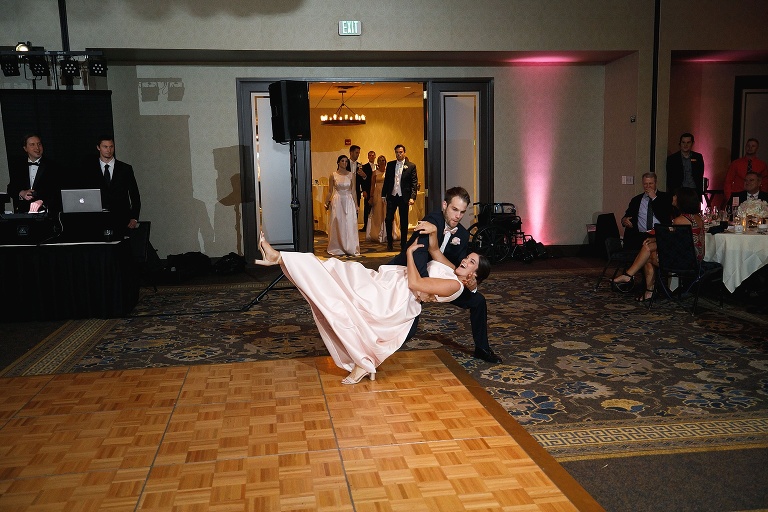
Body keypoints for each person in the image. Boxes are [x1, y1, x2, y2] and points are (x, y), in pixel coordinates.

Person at [254, 227, 491, 384]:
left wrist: (409, 254)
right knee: (339, 271)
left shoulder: (454, 286)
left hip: (394, 297)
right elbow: (435, 251)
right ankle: (280, 257)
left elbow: (416, 282)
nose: (464, 260)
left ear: (474, 274)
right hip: (389, 284)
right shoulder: (453, 271)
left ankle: (363, 363)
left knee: (344, 297)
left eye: (471, 262)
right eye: (467, 257)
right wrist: (434, 231)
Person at [390, 187, 502, 363]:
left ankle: (482, 348)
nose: (458, 216)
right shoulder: (431, 221)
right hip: (409, 274)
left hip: (439, 282)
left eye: (462, 212)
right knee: (406, 332)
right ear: (444, 205)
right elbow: (419, 254)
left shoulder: (462, 235)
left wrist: (472, 286)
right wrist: (424, 287)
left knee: (478, 300)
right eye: (454, 209)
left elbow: (458, 267)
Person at [613, 187, 705, 302]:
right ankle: (633, 279)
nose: (673, 197)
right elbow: (677, 241)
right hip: (695, 259)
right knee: (648, 248)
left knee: (648, 254)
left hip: (684, 262)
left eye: (675, 196)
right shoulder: (698, 218)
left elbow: (671, 244)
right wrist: (654, 240)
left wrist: (654, 241)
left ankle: (639, 283)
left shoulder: (680, 221)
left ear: (682, 200)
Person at [87, 136, 141, 234]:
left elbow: (134, 194)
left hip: (122, 218)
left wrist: (134, 217)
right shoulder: (90, 170)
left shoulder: (125, 169)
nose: (109, 150)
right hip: (98, 219)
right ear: (98, 147)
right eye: (105, 147)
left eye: (111, 147)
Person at [7, 134, 60, 214]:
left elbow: (57, 190)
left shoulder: (52, 166)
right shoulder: (18, 166)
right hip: (23, 212)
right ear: (25, 148)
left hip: (47, 212)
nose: (37, 148)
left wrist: (43, 201)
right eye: (32, 145)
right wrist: (22, 193)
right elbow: (11, 188)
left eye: (39, 144)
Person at [620, 172, 673, 251]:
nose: (648, 186)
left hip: (658, 235)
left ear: (655, 183)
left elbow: (664, 216)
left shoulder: (666, 197)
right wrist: (624, 220)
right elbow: (627, 215)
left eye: (650, 183)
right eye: (645, 184)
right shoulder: (636, 200)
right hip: (640, 235)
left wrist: (654, 198)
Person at [382, 144, 418, 252]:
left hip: (404, 197)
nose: (399, 154)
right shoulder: (390, 165)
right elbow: (387, 181)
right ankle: (389, 243)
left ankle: (403, 244)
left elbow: (414, 183)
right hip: (392, 196)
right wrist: (383, 194)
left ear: (404, 153)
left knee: (404, 221)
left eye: (401, 152)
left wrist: (412, 197)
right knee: (388, 219)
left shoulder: (411, 166)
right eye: (397, 152)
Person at [325, 154, 360, 256]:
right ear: (338, 162)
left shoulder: (351, 175)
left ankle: (350, 246)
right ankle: (337, 246)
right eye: (342, 161)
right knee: (337, 222)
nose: (345, 163)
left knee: (349, 223)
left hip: (349, 200)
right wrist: (326, 202)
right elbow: (330, 191)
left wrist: (356, 204)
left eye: (346, 161)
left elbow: (353, 191)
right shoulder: (333, 175)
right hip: (337, 200)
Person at [366, 154, 400, 243]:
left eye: (383, 160)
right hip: (377, 194)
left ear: (385, 162)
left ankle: (390, 233)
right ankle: (378, 233)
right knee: (378, 213)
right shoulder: (375, 173)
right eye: (380, 160)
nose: (382, 162)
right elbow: (372, 185)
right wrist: (371, 196)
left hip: (387, 193)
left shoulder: (388, 171)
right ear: (378, 162)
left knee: (388, 213)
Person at [723, 138, 768, 204]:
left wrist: (763, 197)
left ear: (757, 148)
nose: (750, 148)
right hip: (737, 195)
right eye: (748, 145)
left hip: (755, 197)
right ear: (745, 147)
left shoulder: (762, 165)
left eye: (753, 146)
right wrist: (729, 197)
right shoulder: (736, 163)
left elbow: (765, 182)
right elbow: (728, 181)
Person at [666, 132, 705, 198]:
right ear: (680, 143)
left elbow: (700, 174)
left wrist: (699, 192)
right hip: (678, 191)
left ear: (692, 143)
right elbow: (670, 178)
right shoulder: (672, 159)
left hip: (694, 191)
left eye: (688, 142)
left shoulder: (698, 157)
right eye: (683, 142)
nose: (685, 145)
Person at [355, 147, 373, 232]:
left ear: (375, 156)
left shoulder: (377, 166)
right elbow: (362, 180)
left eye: (373, 155)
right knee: (367, 208)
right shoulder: (364, 166)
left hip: (376, 190)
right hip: (367, 190)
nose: (371, 156)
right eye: (370, 155)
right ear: (368, 157)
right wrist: (364, 190)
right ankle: (366, 226)